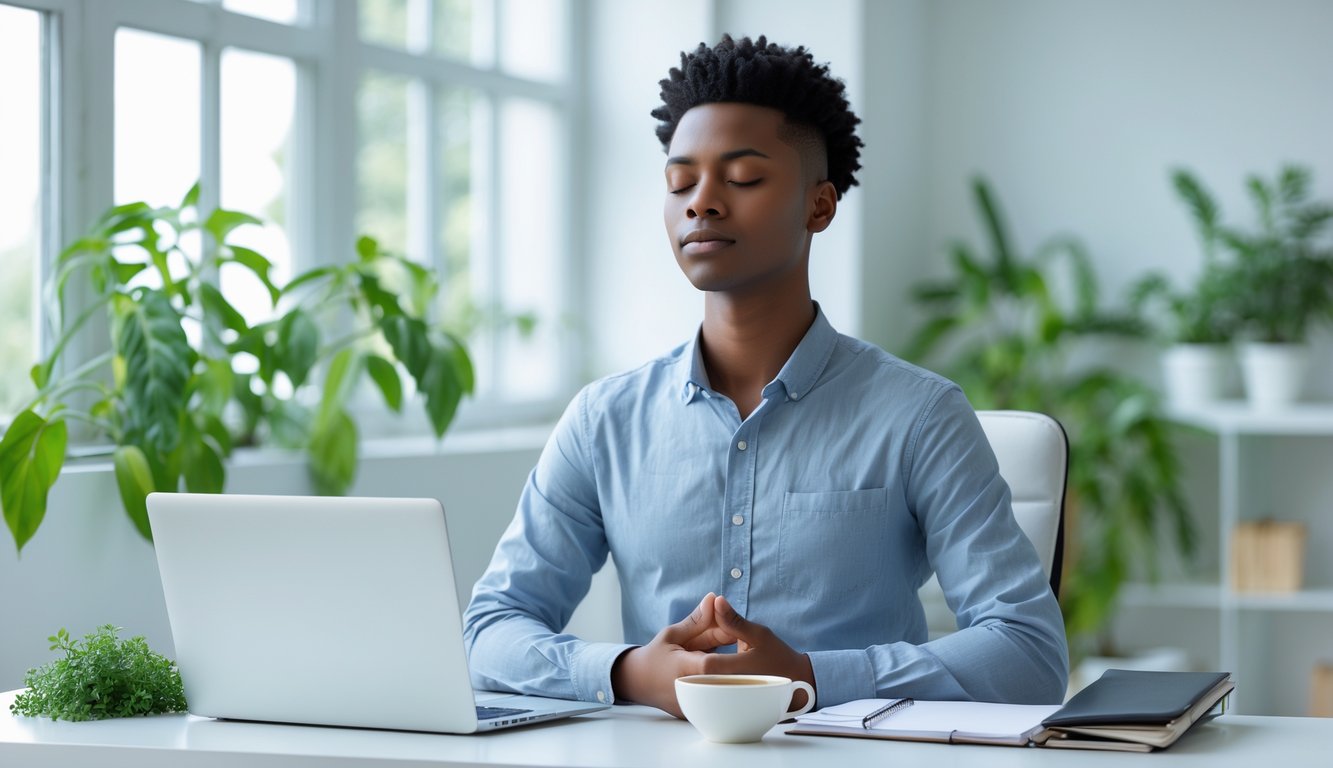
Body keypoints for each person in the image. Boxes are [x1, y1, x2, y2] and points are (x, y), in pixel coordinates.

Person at [463, 34, 1068, 719]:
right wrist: (629, 672)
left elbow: (1029, 655)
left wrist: (809, 677)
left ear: (820, 206)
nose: (701, 202)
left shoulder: (919, 416)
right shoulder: (604, 420)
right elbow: (489, 631)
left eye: (744, 178)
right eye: (679, 182)